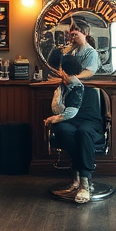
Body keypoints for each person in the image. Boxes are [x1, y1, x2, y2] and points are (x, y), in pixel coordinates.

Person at [44, 53, 105, 205]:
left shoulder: (85, 90)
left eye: (60, 69)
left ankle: (83, 182)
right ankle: (82, 179)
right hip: (68, 121)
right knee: (62, 131)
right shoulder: (63, 89)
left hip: (89, 120)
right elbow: (57, 111)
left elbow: (67, 113)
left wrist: (53, 119)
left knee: (83, 133)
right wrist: (58, 93)